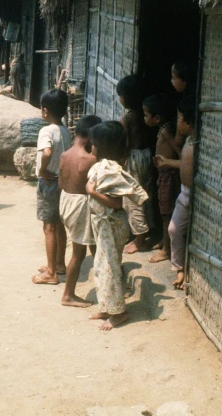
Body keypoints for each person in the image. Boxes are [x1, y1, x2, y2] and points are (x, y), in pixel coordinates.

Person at [86, 121, 149, 330]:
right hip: (104, 225)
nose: (91, 147)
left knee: (110, 267)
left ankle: (119, 313)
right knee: (102, 265)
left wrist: (92, 192)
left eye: (93, 144)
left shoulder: (110, 171)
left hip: (111, 226)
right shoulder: (102, 166)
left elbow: (116, 203)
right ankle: (107, 306)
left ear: (101, 146)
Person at [58, 114, 102, 306]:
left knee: (93, 245)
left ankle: (105, 281)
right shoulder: (89, 159)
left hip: (66, 200)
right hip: (80, 205)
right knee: (79, 253)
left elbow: (61, 181)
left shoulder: (65, 155)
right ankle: (68, 295)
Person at [32, 89, 72, 286]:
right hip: (61, 182)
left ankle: (51, 273)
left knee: (48, 227)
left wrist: (41, 169)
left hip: (48, 182)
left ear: (45, 111)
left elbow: (46, 152)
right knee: (59, 225)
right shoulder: (66, 131)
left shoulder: (46, 131)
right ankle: (59, 264)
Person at [155, 96, 196, 289]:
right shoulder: (189, 140)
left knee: (179, 230)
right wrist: (167, 162)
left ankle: (183, 270)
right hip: (184, 192)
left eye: (179, 118)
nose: (177, 121)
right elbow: (185, 164)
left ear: (187, 121)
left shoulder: (198, 143)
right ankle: (179, 268)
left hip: (193, 194)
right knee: (174, 229)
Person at [116, 75, 155, 254]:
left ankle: (140, 239)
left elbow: (125, 144)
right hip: (146, 155)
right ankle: (144, 233)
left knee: (133, 198)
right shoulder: (143, 115)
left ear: (125, 97)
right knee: (145, 194)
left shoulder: (127, 119)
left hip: (133, 158)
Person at [142, 94, 180, 264]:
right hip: (164, 175)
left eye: (145, 115)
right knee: (164, 210)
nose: (144, 118)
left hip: (169, 176)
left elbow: (179, 151)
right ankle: (165, 242)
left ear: (156, 118)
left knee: (166, 213)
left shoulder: (166, 131)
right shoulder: (163, 128)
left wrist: (168, 163)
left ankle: (167, 250)